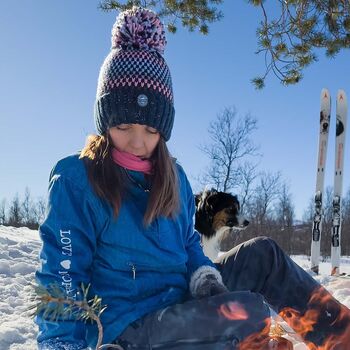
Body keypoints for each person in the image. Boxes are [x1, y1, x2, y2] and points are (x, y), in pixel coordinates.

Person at [35, 6, 350, 350]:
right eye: (123, 126)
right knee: (247, 313)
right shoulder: (77, 180)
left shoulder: (175, 178)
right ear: (104, 119)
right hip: (129, 329)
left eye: (151, 128)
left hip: (183, 304)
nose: (138, 141)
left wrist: (206, 280)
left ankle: (341, 339)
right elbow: (62, 278)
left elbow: (189, 248)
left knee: (264, 255)